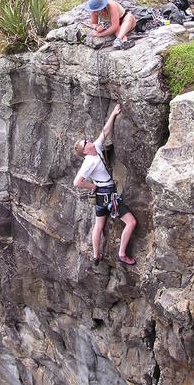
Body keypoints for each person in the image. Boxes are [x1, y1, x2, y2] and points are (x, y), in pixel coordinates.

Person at [73, 104, 137, 265]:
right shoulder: (89, 162)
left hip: (100, 199)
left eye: (86, 140)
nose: (88, 141)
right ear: (85, 151)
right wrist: (92, 186)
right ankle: (122, 254)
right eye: (85, 143)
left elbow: (105, 131)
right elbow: (77, 182)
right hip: (107, 196)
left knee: (98, 225)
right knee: (131, 222)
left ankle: (96, 255)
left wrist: (114, 114)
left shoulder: (97, 148)